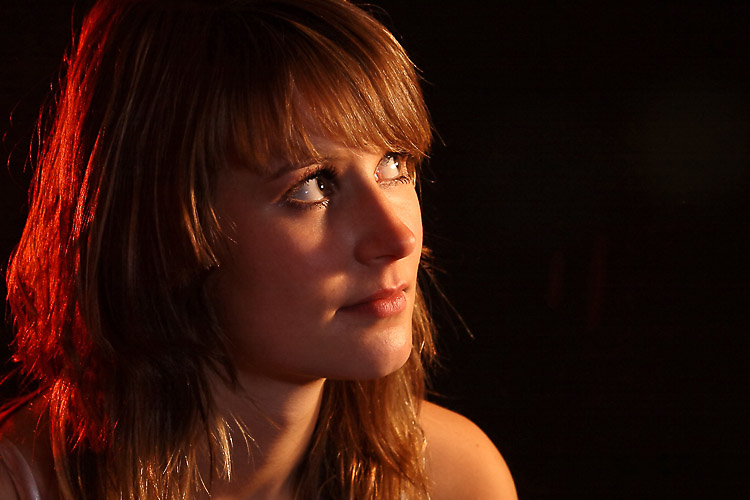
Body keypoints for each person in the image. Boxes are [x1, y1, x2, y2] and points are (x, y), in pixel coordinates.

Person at [0, 0, 517, 498]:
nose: (399, 238)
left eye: (395, 164)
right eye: (312, 186)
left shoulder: (456, 480)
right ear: (163, 229)